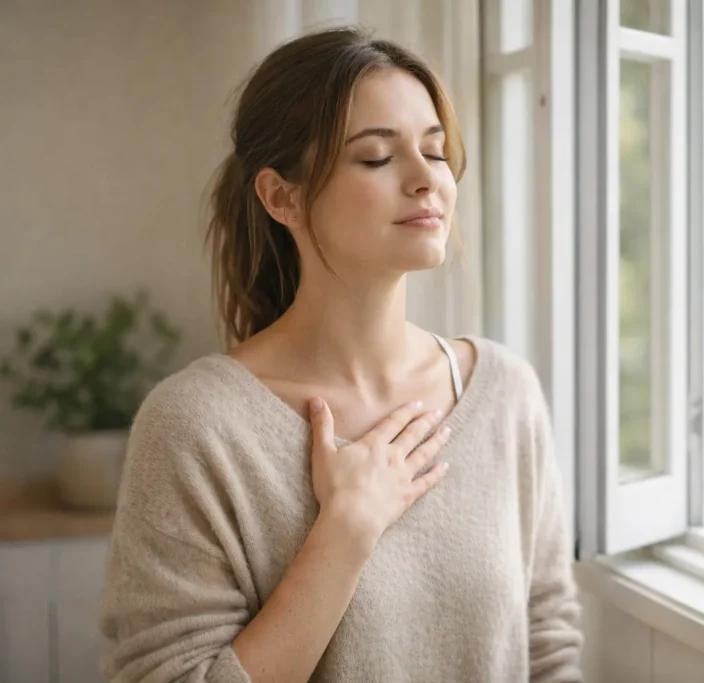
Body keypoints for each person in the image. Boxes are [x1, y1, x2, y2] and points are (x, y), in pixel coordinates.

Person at [97, 27, 583, 683]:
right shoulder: (194, 425)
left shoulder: (506, 392)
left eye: (436, 153)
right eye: (377, 159)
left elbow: (548, 646)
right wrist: (345, 531)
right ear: (282, 196)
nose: (425, 181)